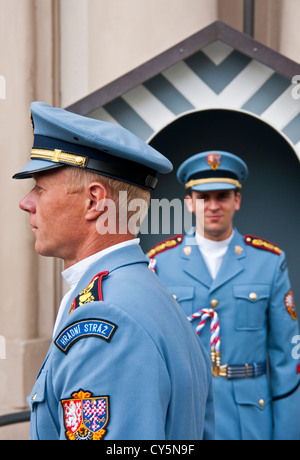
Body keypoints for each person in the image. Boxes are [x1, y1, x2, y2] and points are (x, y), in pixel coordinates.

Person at [13, 102, 214, 441]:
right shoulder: (141, 292)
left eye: (41, 188)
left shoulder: (108, 316)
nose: (27, 202)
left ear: (94, 202)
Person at [148, 150, 300, 440]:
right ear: (189, 203)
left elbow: (286, 357)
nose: (213, 206)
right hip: (185, 417)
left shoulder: (269, 262)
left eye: (223, 196)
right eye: (204, 197)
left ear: (237, 200)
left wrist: (288, 432)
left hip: (250, 420)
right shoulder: (159, 263)